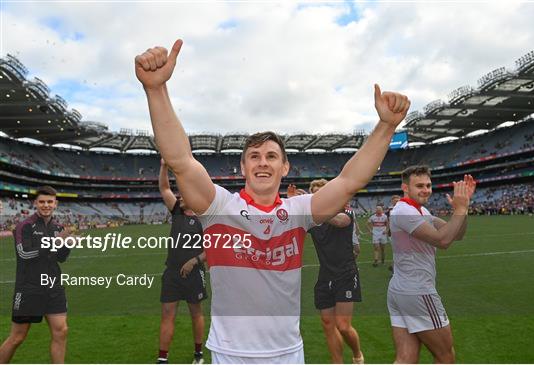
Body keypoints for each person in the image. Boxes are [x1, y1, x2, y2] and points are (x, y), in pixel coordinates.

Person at [135, 39, 410, 363]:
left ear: (285, 167)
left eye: (270, 156)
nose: (262, 162)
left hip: (286, 355)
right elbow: (180, 159)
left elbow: (350, 181)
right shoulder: (218, 208)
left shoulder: (297, 211)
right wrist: (156, 90)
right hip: (230, 355)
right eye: (254, 156)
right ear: (242, 167)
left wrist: (386, 126)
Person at [387, 166, 475, 363]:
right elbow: (442, 241)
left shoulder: (421, 210)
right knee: (445, 356)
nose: (425, 189)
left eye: (428, 185)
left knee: (406, 358)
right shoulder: (403, 211)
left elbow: (457, 234)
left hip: (401, 290)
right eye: (419, 186)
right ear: (405, 187)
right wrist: (459, 209)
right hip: (418, 291)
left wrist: (463, 208)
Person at [0, 186, 71, 363]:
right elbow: (24, 253)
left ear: (56, 204)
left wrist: (67, 244)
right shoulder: (24, 226)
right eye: (42, 202)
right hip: (29, 289)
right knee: (17, 337)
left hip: (53, 287)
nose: (46, 205)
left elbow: (60, 258)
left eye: (49, 202)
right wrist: (52, 243)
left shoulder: (58, 228)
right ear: (35, 203)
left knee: (61, 331)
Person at [304, 180, 364, 364]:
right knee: (328, 325)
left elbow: (340, 222)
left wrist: (312, 208)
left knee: (343, 326)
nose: (319, 198)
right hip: (325, 275)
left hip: (346, 273)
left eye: (323, 194)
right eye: (315, 195)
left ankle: (357, 355)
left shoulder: (345, 211)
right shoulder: (311, 220)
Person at [157, 159, 207, 364]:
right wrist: (164, 166)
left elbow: (211, 249)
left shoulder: (204, 219)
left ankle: (198, 354)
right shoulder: (176, 211)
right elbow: (164, 188)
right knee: (167, 313)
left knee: (196, 312)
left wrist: (194, 261)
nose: (179, 196)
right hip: (172, 273)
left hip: (195, 273)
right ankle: (162, 359)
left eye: (184, 193)